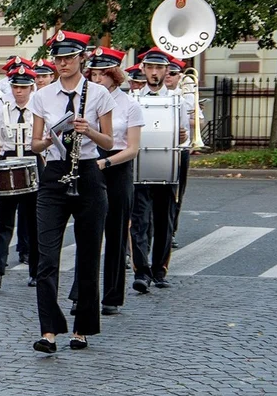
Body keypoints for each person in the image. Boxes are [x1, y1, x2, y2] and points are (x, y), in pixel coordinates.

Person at [29, 30, 114, 354]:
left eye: (68, 57)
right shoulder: (43, 95)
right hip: (55, 173)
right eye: (58, 58)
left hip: (89, 172)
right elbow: (34, 143)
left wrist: (87, 129)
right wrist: (49, 139)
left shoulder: (98, 94)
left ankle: (81, 329)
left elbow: (109, 142)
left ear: (82, 58)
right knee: (47, 256)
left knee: (89, 254)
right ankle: (48, 331)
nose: (62, 63)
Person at [83, 50, 144, 315]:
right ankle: (81, 294)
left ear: (115, 76)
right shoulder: (87, 100)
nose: (96, 79)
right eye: (93, 74)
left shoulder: (129, 104)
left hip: (117, 167)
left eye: (102, 74)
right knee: (87, 232)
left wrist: (106, 163)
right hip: (92, 162)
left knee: (116, 232)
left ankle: (112, 295)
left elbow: (133, 149)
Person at [130, 49, 186, 293]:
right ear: (143, 69)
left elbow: (184, 136)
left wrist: (182, 135)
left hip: (167, 166)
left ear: (166, 71)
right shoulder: (133, 100)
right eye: (150, 68)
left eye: (159, 68)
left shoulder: (178, 101)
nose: (154, 72)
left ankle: (159, 270)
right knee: (139, 222)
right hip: (140, 168)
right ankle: (141, 271)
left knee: (165, 220)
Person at [0, 59, 40, 289]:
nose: (19, 91)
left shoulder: (39, 106)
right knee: (3, 219)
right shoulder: (1, 105)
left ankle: (36, 271)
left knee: (34, 221)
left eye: (23, 87)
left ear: (31, 88)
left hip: (31, 159)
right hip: (8, 160)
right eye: (16, 87)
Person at [167, 56, 198, 247]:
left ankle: (171, 231)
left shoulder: (185, 95)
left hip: (180, 149)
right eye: (167, 72)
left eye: (172, 73)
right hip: (157, 148)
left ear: (179, 76)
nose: (168, 77)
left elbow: (198, 120)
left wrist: (183, 122)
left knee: (176, 193)